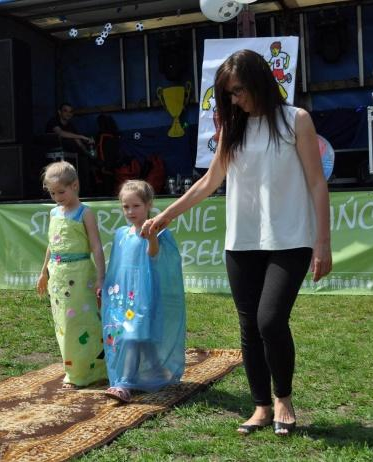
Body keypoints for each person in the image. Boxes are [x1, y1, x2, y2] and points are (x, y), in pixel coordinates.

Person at [141, 49, 332, 436]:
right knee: (249, 325)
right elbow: (208, 183)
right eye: (228, 93)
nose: (234, 99)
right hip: (241, 241)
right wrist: (165, 216)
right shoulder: (233, 128)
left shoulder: (297, 119)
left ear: (260, 81)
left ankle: (283, 398)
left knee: (270, 320)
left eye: (238, 90)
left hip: (290, 238)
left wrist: (323, 243)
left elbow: (316, 181)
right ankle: (261, 406)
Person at [102, 180, 186, 403]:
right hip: (125, 296)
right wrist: (108, 288)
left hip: (145, 295)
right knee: (141, 335)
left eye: (136, 206)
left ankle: (123, 383)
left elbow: (154, 256)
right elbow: (117, 266)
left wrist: (151, 238)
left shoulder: (157, 232)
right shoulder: (121, 234)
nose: (130, 211)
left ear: (148, 204)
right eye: (125, 206)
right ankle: (158, 371)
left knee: (132, 335)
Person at [36, 161, 107, 388]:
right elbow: (51, 244)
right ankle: (74, 368)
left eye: (61, 191)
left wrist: (100, 276)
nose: (57, 197)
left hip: (80, 275)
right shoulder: (54, 212)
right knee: (63, 323)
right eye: (53, 193)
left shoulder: (85, 213)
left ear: (75, 185)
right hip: (58, 278)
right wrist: (44, 272)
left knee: (82, 322)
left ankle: (87, 372)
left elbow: (96, 246)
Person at [45, 103, 95, 195]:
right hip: (53, 156)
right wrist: (81, 136)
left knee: (84, 161)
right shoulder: (54, 121)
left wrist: (87, 153)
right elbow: (60, 133)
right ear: (59, 112)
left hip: (70, 155)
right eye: (65, 111)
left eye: (70, 111)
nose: (68, 113)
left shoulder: (71, 125)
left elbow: (78, 142)